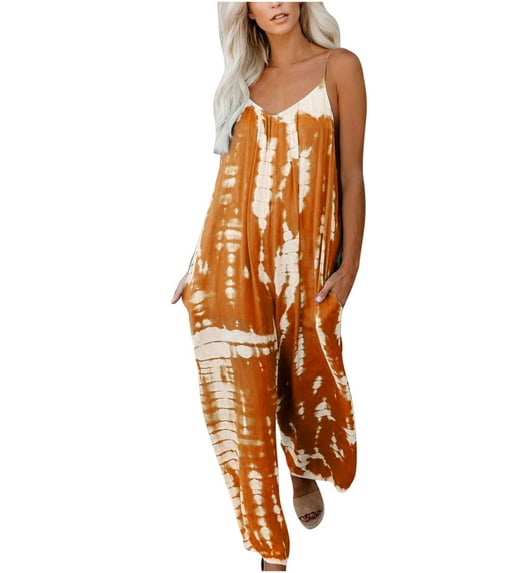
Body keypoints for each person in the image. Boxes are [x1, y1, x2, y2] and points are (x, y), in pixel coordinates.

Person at [171, 2, 366, 570]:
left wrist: (349, 268)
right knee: (244, 395)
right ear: (247, 12)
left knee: (301, 377)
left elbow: (352, 177)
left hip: (307, 263)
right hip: (235, 263)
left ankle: (300, 466)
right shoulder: (243, 86)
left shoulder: (339, 67)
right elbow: (230, 185)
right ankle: (269, 548)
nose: (275, 2)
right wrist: (199, 262)